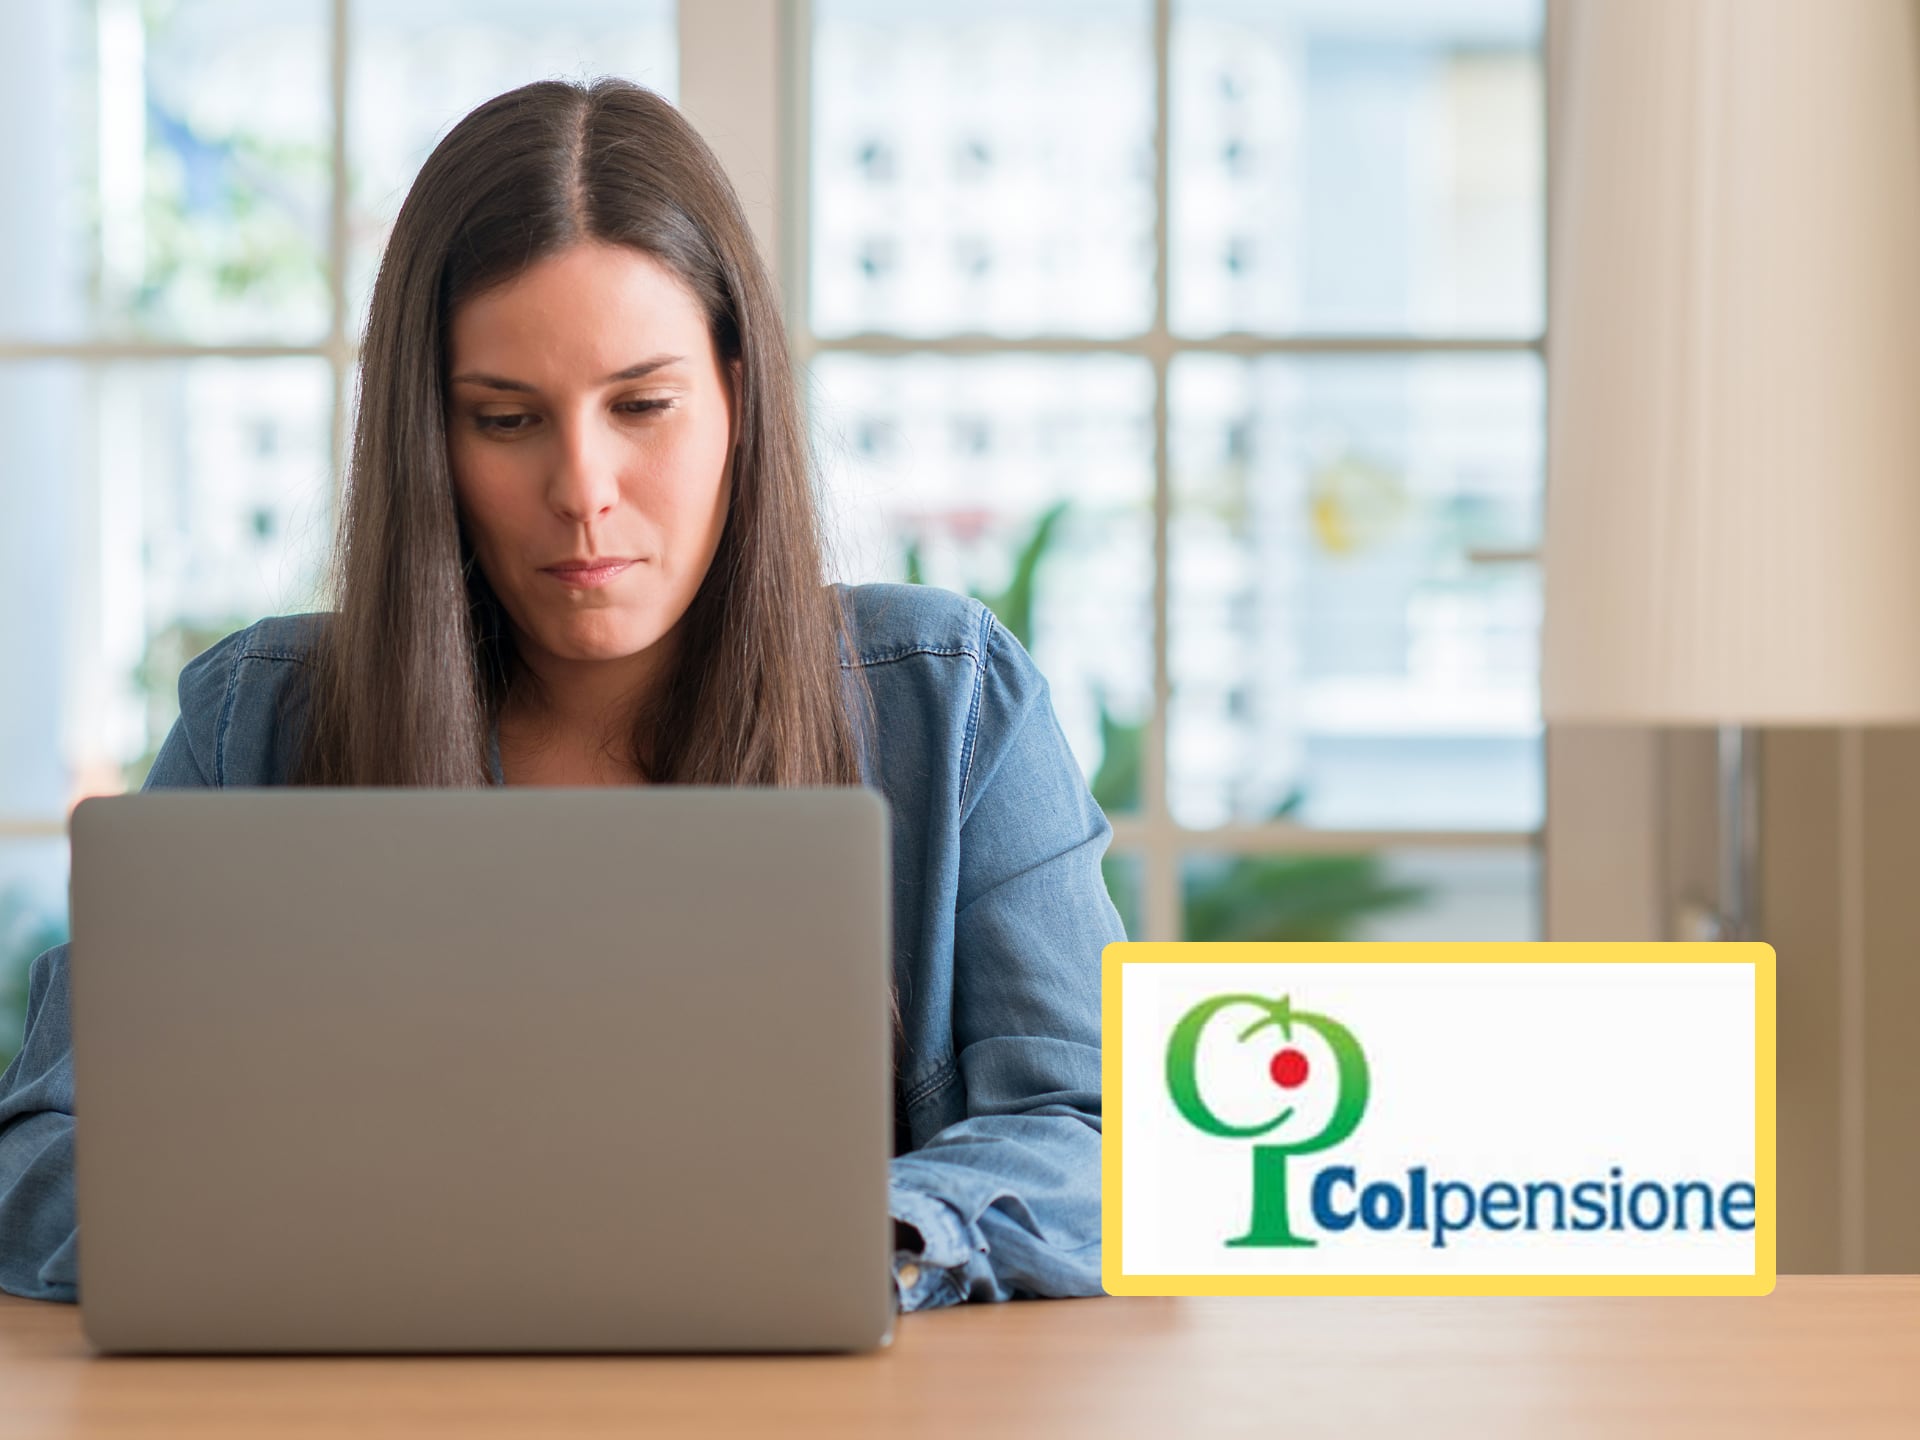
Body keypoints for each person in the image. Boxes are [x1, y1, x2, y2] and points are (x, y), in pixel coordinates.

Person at [0, 79, 1119, 1313]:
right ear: (430, 438)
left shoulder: (949, 701)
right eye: (505, 418)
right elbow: (41, 1161)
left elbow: (1095, 1133)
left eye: (642, 405)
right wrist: (364, 1234)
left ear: (740, 398)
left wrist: (862, 1240)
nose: (583, 486)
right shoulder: (253, 725)